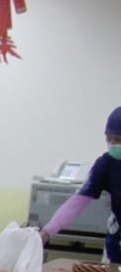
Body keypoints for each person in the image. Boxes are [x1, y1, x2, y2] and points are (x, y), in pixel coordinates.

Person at [41, 106, 121, 260]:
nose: (112, 144)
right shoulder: (105, 164)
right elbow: (78, 201)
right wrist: (47, 232)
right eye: (108, 138)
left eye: (117, 139)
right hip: (116, 239)